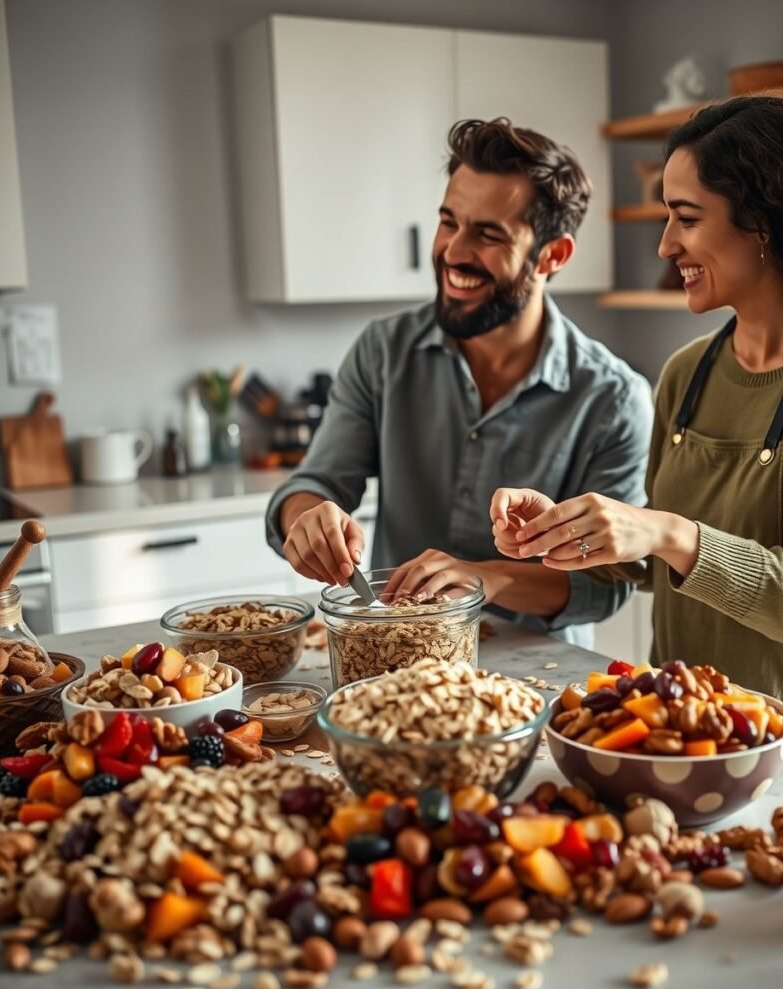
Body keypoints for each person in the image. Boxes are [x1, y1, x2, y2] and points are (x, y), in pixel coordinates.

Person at [491, 97, 783, 727]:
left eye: (687, 218)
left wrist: (667, 531)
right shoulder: (689, 371)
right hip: (680, 730)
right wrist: (563, 529)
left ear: (767, 222)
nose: (666, 244)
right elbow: (659, 563)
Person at [266, 118, 652, 647]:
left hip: (531, 676)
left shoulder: (614, 399)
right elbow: (316, 484)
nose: (452, 251)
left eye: (487, 234)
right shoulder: (383, 352)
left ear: (552, 256)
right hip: (389, 657)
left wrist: (487, 577)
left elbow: (603, 585)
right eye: (449, 222)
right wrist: (309, 518)